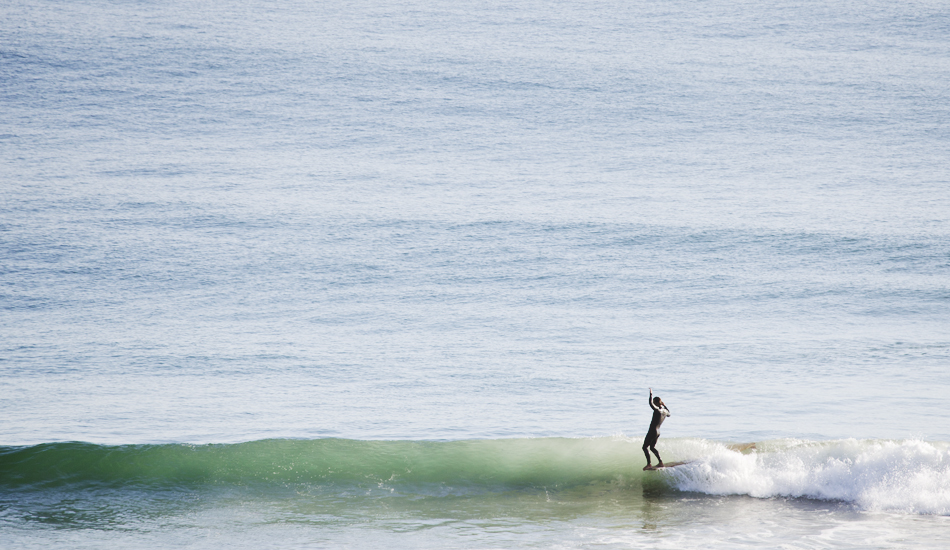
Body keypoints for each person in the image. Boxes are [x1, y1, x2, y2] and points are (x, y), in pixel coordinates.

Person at [642, 388, 670, 469]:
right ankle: (660, 462)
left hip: (652, 431)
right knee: (652, 447)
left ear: (657, 403)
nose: (654, 404)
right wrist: (664, 405)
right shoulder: (665, 411)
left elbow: (650, 404)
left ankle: (649, 464)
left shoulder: (657, 410)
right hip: (658, 432)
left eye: (655, 403)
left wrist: (651, 394)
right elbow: (669, 414)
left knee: (644, 447)